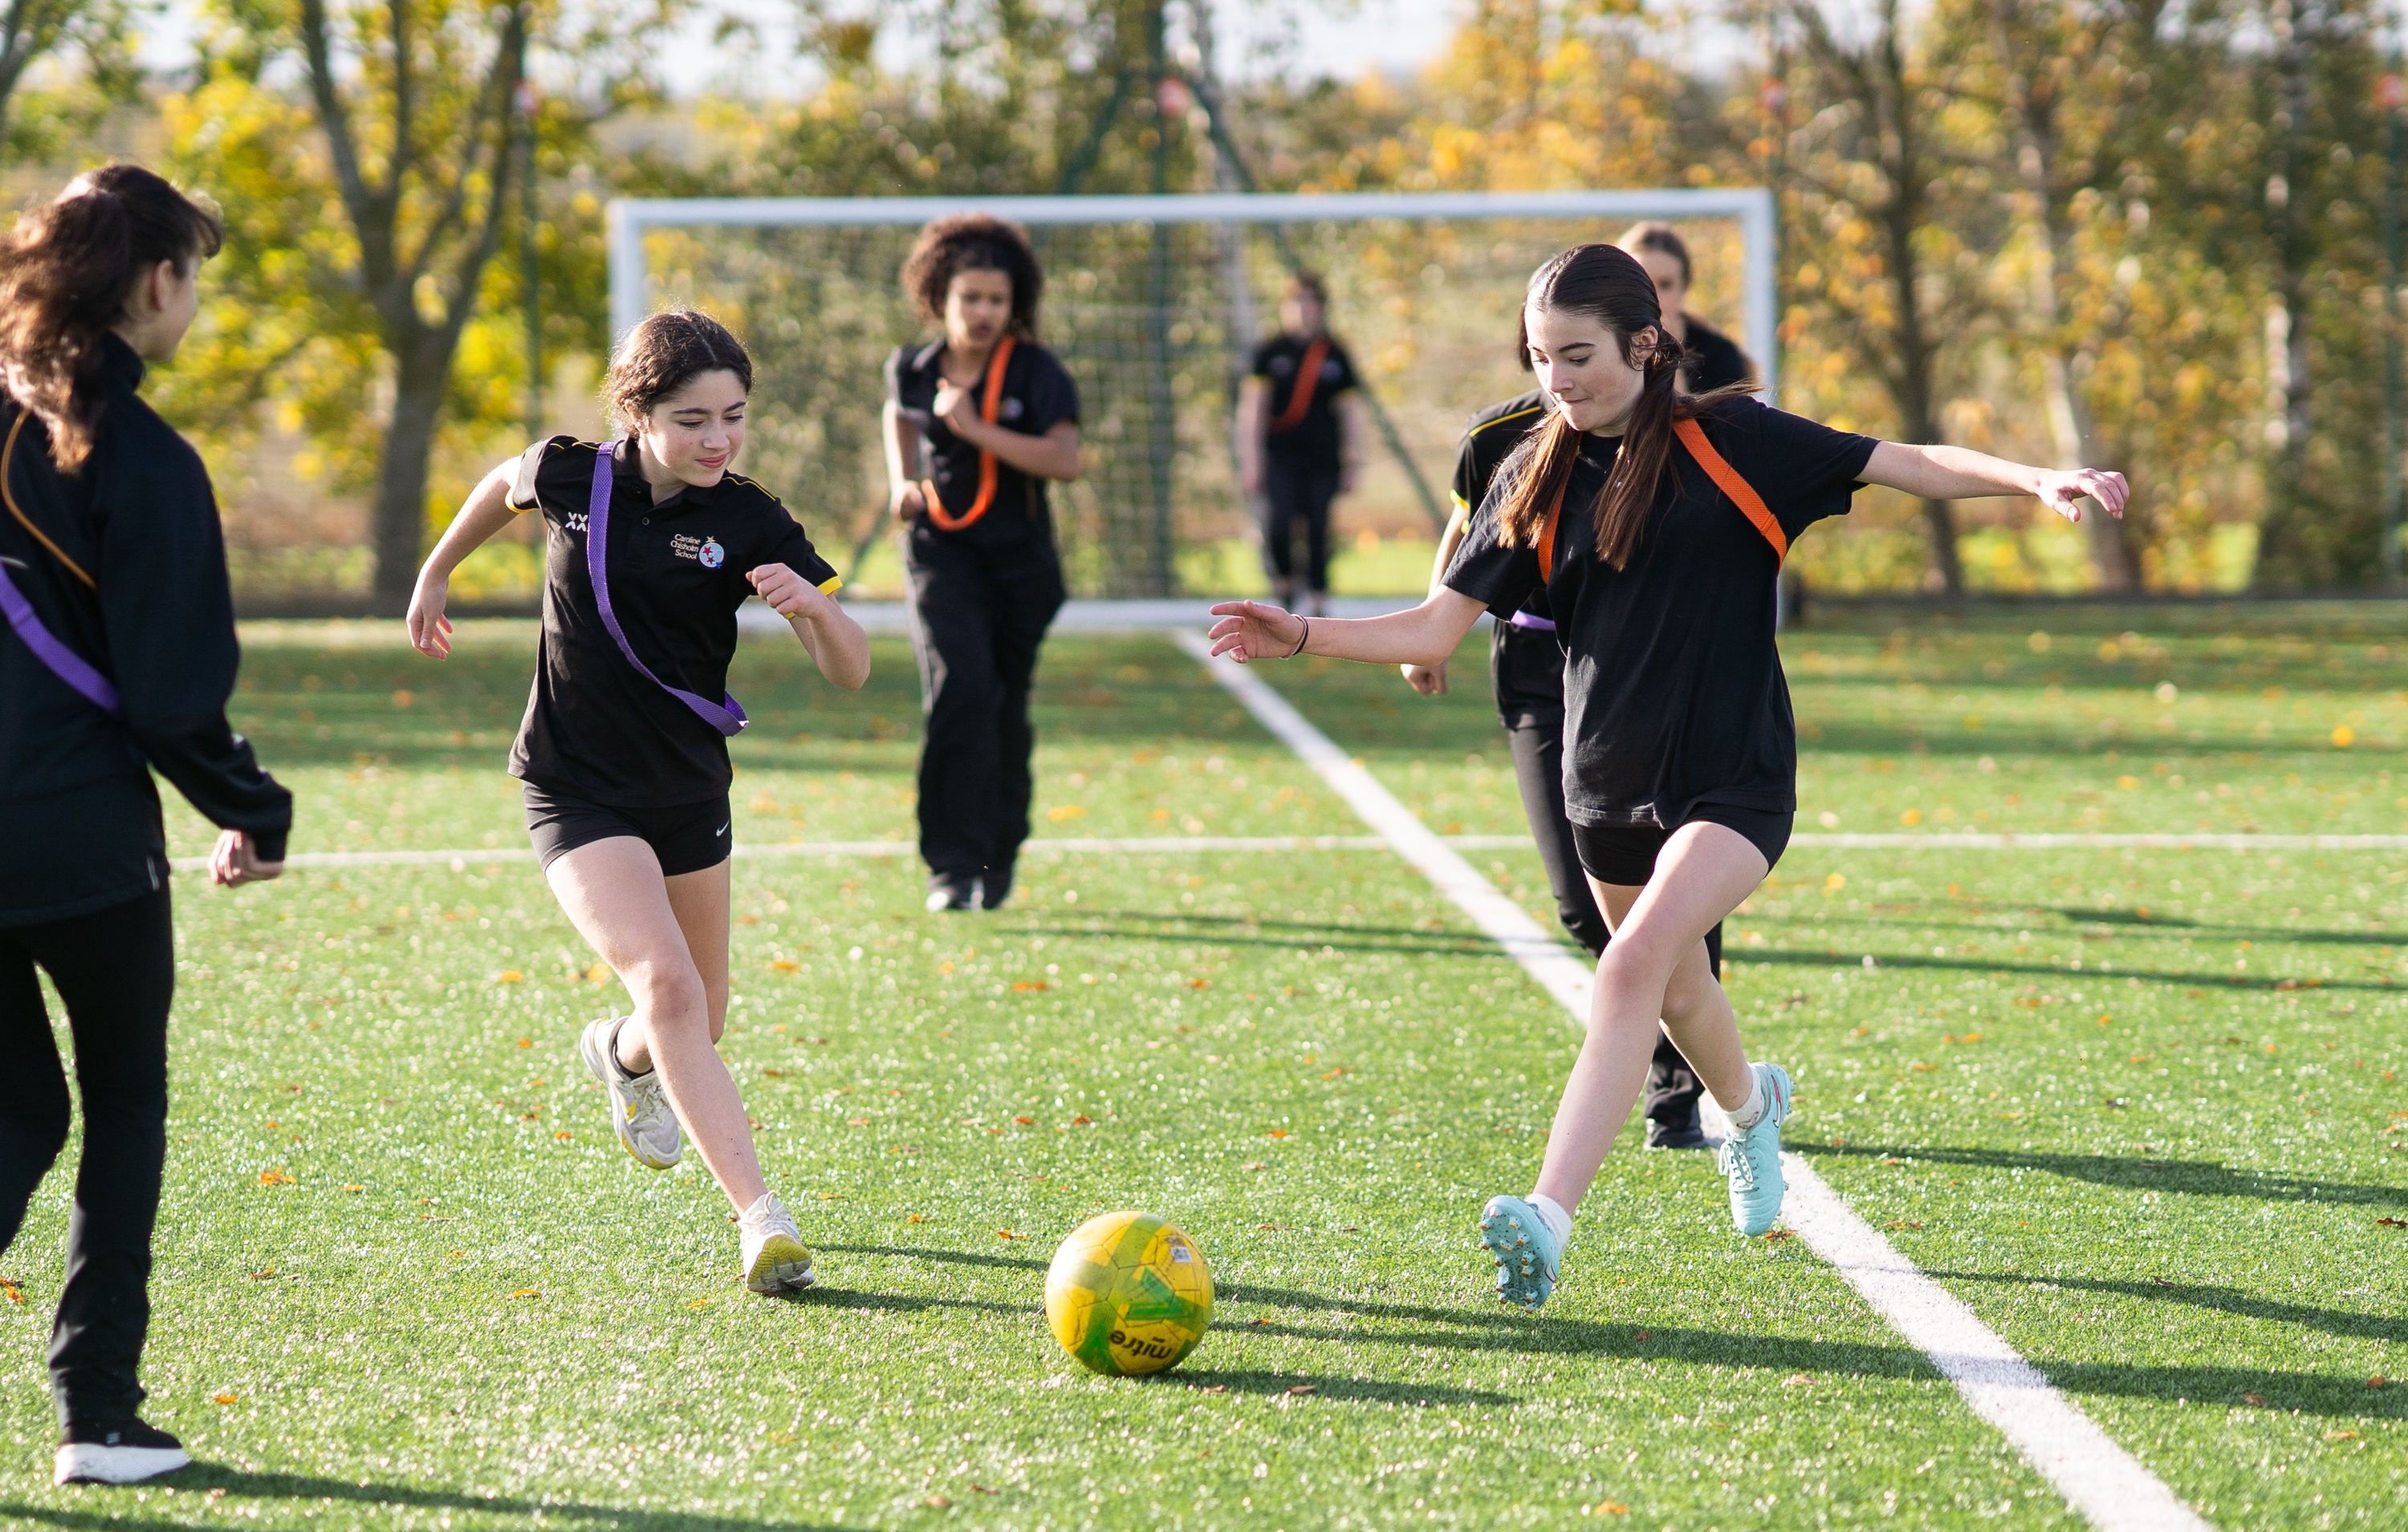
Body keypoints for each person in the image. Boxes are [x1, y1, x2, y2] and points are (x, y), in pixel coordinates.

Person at [1209, 243, 2124, 1311]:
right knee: (1681, 987)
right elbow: (1432, 627)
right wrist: (1302, 632)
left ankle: (1547, 1219)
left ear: (1645, 343)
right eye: (1541, 357)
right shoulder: (1531, 470)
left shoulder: (1737, 441)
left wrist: (2033, 478)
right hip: (1601, 783)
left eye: (1579, 355)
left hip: (1733, 777)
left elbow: (1903, 460)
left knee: (1634, 963)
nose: (1558, 379)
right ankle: (1752, 1108)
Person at [406, 307, 868, 1298]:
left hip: (688, 788)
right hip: (573, 785)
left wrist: (818, 610)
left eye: (734, 417)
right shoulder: (571, 475)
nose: (718, 439)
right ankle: (763, 1219)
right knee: (669, 984)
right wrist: (437, 572)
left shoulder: (751, 519)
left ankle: (620, 1057)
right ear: (638, 412)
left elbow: (852, 670)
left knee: (702, 1012)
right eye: (693, 419)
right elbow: (498, 485)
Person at [0, 165, 292, 1487]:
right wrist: (255, 809)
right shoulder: (144, 456)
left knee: (14, 1109)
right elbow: (175, 701)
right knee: (121, 1104)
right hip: (81, 842)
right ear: (157, 282)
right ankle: (97, 1415)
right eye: (195, 279)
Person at [1404, 366, 1721, 1150]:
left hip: (1638, 668)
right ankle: (1692, 1041)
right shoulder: (1495, 435)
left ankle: (1679, 1091)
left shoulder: (1680, 427)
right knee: (1585, 903)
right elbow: (1466, 529)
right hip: (1537, 670)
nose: (1562, 372)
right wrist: (1428, 630)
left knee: (1673, 884)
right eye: (1547, 352)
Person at [882, 214, 1083, 912]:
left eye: (997, 299)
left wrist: (975, 428)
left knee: (1003, 705)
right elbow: (898, 414)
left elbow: (1066, 460)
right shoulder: (911, 366)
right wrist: (902, 479)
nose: (983, 312)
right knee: (960, 688)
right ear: (940, 296)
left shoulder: (1037, 370)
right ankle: (951, 865)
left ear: (1015, 302)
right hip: (942, 557)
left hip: (1022, 567)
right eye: (970, 297)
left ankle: (998, 855)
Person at [1236, 273, 1367, 617]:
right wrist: (1250, 462)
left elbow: (1350, 413)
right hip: (1280, 459)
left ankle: (1319, 600)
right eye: (1297, 302)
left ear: (1322, 308)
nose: (1304, 310)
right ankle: (1284, 591)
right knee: (1279, 525)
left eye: (1311, 302)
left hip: (1323, 460)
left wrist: (1354, 461)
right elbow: (1252, 411)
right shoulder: (1269, 352)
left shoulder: (1335, 354)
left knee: (1318, 528)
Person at [1618, 223, 1754, 395]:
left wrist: (1671, 359)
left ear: (1684, 287)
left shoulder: (1718, 355)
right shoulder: (1603, 345)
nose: (1654, 296)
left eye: (1665, 285)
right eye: (1641, 283)